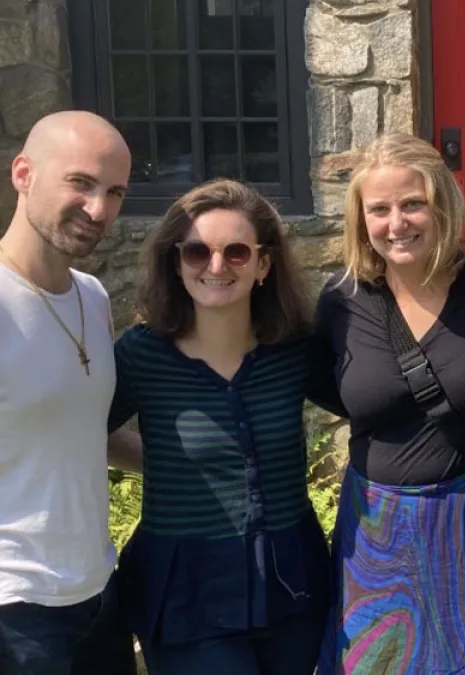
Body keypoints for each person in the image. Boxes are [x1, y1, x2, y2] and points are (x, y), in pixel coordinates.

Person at [309, 132, 465, 674]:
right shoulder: (342, 301)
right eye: (379, 209)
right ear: (362, 221)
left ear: (442, 204)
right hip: (376, 533)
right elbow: (327, 386)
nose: (396, 223)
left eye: (412, 204)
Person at [107, 179, 329, 674]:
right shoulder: (141, 356)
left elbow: (374, 402)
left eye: (235, 252)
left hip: (291, 583)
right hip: (186, 592)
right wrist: (166, 465)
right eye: (195, 251)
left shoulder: (295, 350)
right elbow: (86, 431)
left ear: (263, 263)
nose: (214, 267)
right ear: (174, 259)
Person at [0, 110, 140, 675]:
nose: (99, 210)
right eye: (80, 183)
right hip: (15, 611)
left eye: (114, 192)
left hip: (97, 591)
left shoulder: (91, 295)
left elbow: (82, 431)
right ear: (24, 173)